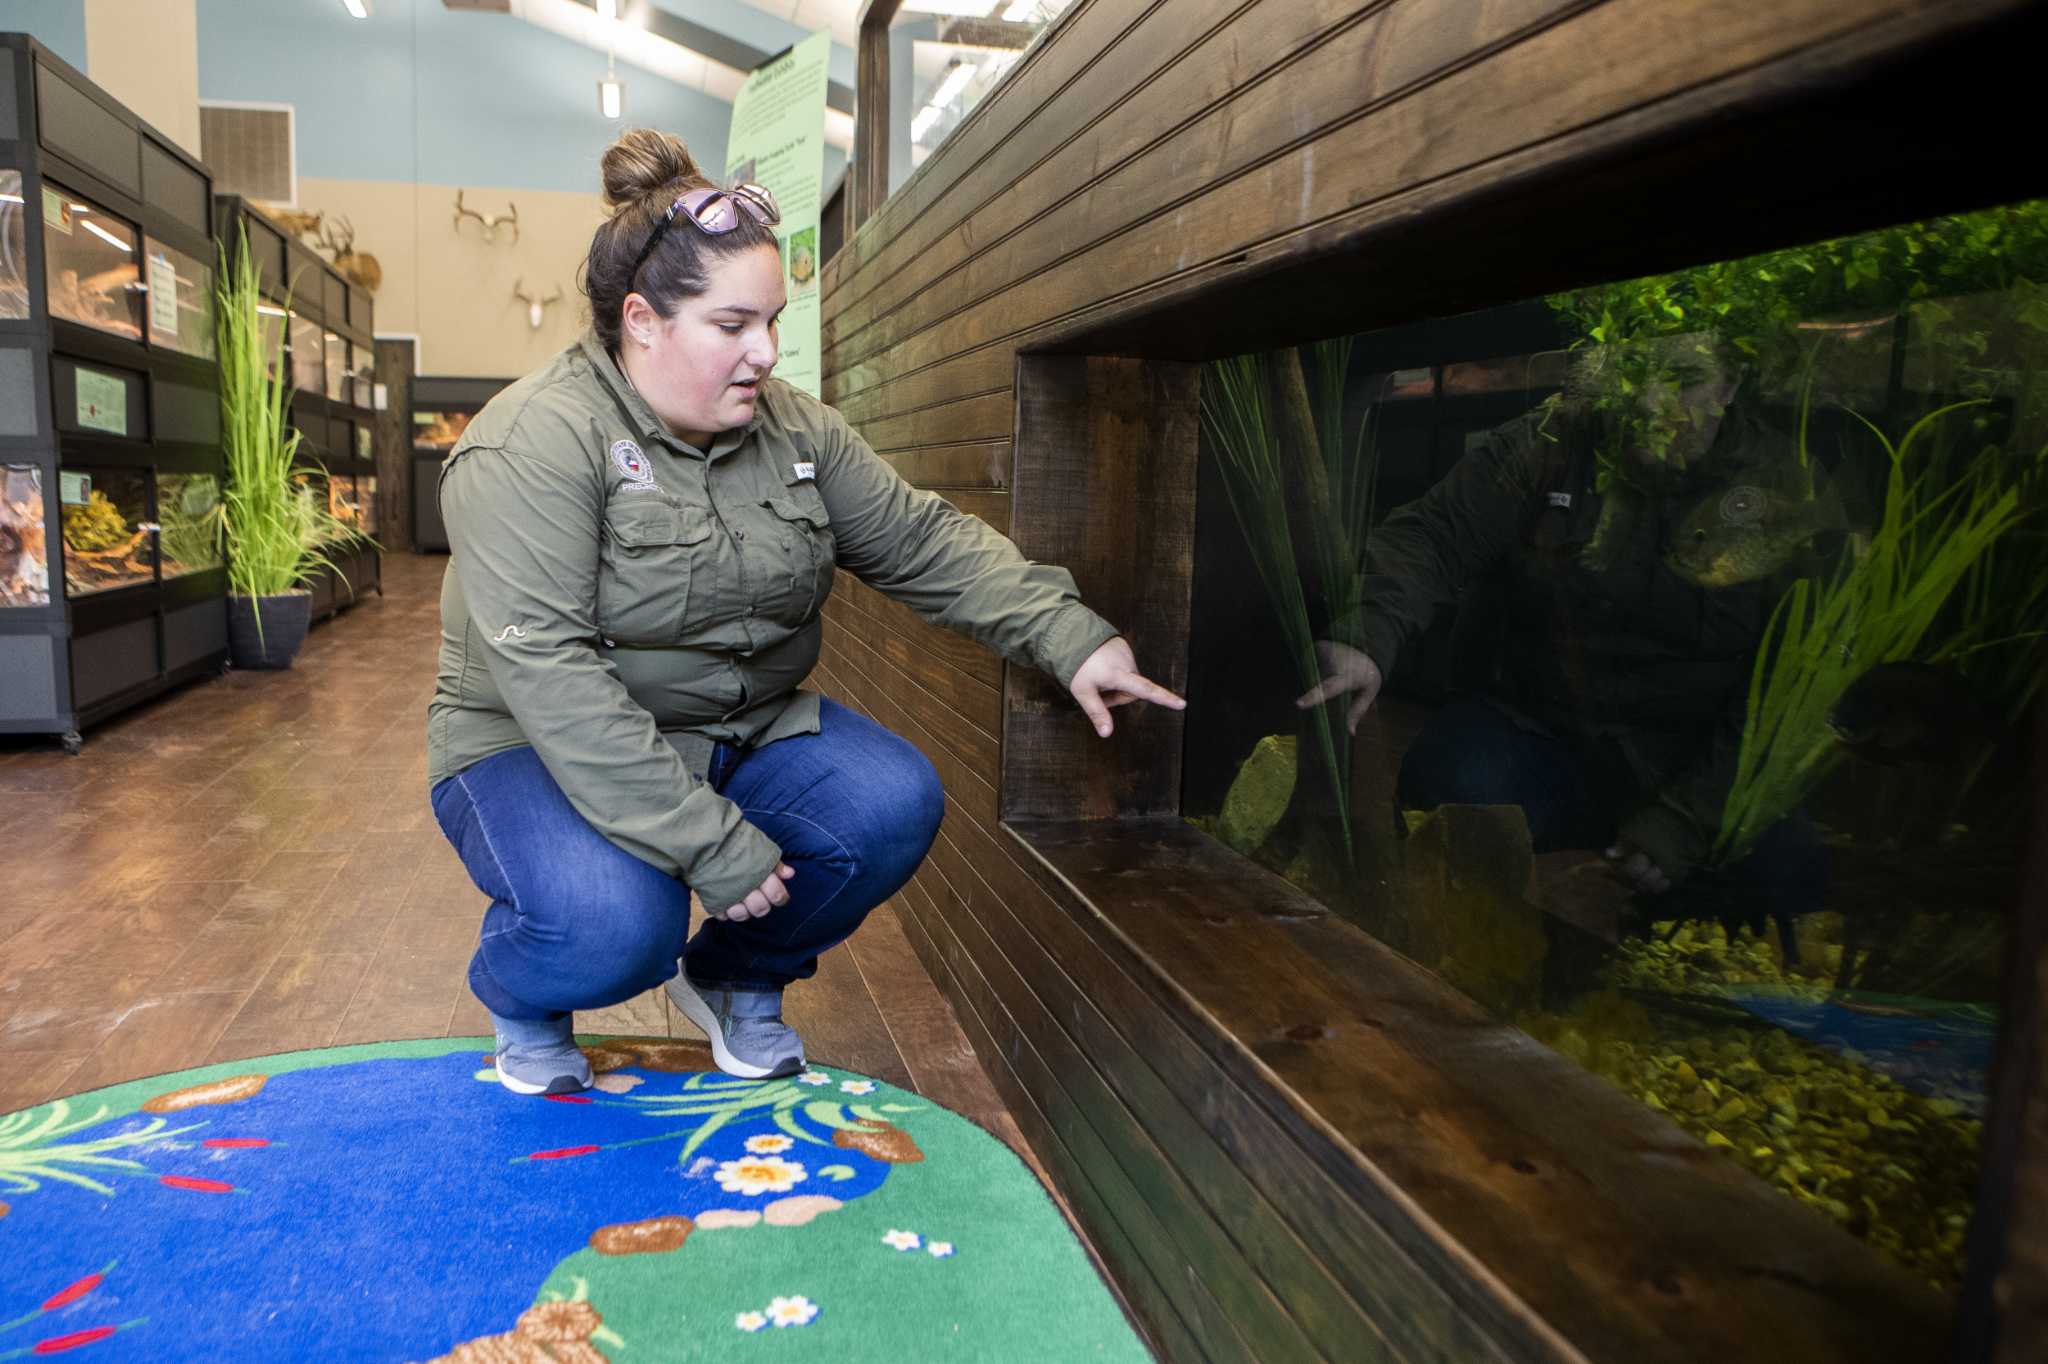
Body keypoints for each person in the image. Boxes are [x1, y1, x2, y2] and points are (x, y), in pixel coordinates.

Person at [427, 129, 1183, 1096]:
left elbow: (920, 540)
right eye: (734, 324)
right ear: (643, 321)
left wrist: (1071, 636)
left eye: (774, 322)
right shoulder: (531, 444)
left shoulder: (795, 428)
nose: (766, 354)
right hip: (531, 743)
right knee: (618, 924)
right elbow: (556, 682)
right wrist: (710, 843)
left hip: (736, 725)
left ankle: (736, 978)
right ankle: (525, 994)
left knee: (888, 801)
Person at [1295, 351, 1827, 944]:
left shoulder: (1783, 483)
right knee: (1453, 781)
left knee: (1793, 866)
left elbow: (1796, 681)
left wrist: (1688, 819)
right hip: (1545, 731)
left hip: (1689, 757)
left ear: (1728, 383)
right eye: (1632, 374)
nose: (1651, 402)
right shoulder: (1553, 438)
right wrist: (1367, 633)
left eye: (1681, 378)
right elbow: (1438, 535)